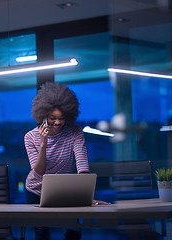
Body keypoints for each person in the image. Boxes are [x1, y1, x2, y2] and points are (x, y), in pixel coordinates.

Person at [24, 82, 109, 240]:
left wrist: (86, 195)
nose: (57, 122)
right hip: (36, 190)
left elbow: (82, 165)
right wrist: (43, 143)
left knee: (74, 232)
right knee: (42, 234)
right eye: (52, 118)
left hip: (65, 191)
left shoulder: (75, 132)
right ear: (43, 115)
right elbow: (38, 172)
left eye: (61, 118)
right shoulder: (30, 137)